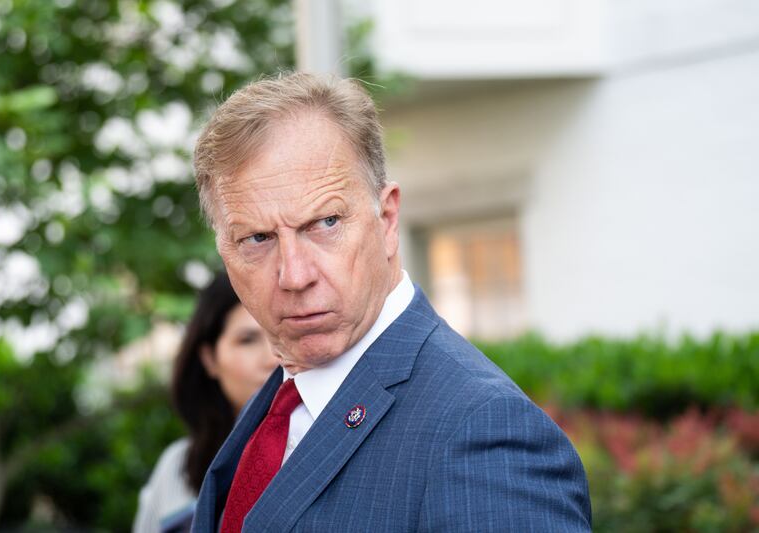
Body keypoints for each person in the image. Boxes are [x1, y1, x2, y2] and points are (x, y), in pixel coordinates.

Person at [190, 72, 592, 532]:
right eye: (257, 238)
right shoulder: (282, 402)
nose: (295, 275)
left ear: (387, 219)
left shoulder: (484, 431)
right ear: (224, 249)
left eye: (324, 223)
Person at [133, 273, 277, 533]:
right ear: (210, 358)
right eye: (248, 340)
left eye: (279, 333)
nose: (272, 358)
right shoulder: (177, 468)